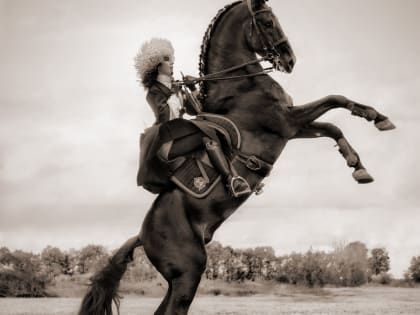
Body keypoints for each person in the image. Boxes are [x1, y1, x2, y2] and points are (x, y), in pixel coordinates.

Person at [134, 38, 251, 197]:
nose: (172, 63)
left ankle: (237, 177)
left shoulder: (176, 88)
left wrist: (192, 88)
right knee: (205, 133)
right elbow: (166, 115)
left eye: (172, 59)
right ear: (156, 65)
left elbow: (199, 110)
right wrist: (174, 90)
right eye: (167, 60)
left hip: (180, 134)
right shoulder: (154, 92)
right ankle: (231, 180)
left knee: (213, 130)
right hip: (165, 142)